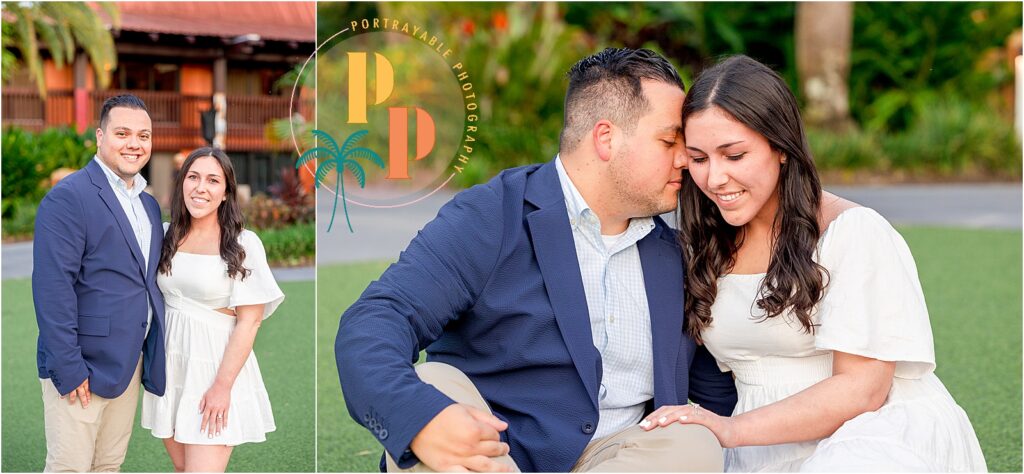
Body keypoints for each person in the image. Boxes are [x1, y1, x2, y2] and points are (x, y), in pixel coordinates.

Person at [335, 47, 738, 473]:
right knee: (434, 384)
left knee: (693, 442)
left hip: (617, 460)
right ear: (606, 138)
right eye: (668, 140)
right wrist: (422, 418)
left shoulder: (676, 250)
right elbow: (377, 320)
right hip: (495, 454)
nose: (686, 160)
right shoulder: (490, 216)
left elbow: (726, 389)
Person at [640, 55, 987, 471]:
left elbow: (862, 390)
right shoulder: (702, 240)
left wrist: (730, 430)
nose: (715, 178)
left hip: (870, 435)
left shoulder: (854, 232)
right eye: (699, 159)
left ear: (780, 147)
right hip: (759, 446)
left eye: (734, 156)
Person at [33, 94, 166, 472]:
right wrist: (69, 366)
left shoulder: (148, 205)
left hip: (128, 365)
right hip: (81, 367)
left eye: (144, 135)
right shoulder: (69, 197)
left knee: (108, 466)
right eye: (122, 133)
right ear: (99, 136)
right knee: (70, 467)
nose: (134, 144)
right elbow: (52, 288)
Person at [141, 147, 284, 472]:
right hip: (171, 366)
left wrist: (222, 388)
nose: (200, 187)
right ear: (181, 184)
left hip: (215, 370)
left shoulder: (244, 244)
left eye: (212, 180)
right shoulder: (164, 236)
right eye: (193, 177)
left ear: (225, 193)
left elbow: (250, 322)